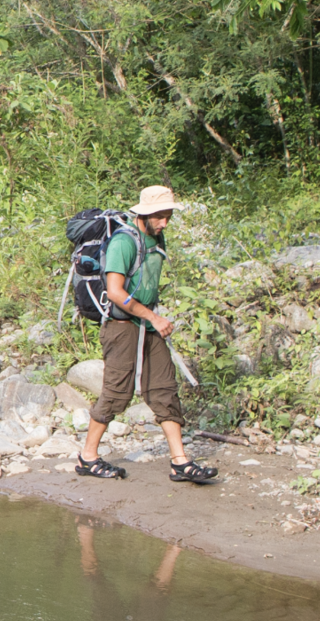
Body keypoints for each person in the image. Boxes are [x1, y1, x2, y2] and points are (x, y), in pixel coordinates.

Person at [75, 185, 216, 485]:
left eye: (168, 216)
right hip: (122, 328)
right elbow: (115, 292)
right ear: (145, 213)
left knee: (165, 388)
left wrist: (152, 318)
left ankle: (181, 462)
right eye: (160, 216)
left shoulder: (156, 237)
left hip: (148, 325)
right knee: (116, 393)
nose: (165, 222)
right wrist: (152, 316)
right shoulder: (124, 243)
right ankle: (88, 457)